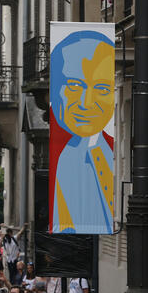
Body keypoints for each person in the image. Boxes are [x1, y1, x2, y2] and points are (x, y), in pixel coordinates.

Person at [50, 29, 115, 234]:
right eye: (75, 86)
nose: (87, 104)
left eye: (103, 89)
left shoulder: (113, 149)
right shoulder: (65, 159)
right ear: (57, 90)